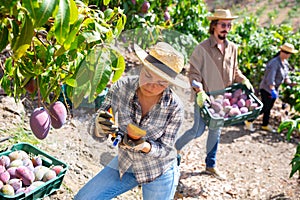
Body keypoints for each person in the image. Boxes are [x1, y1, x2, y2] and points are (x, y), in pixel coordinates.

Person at [74, 42, 189, 200]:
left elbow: (167, 151)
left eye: (160, 82)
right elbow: (98, 128)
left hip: (158, 171)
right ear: (141, 67)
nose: (150, 85)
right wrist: (100, 125)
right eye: (148, 75)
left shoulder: (174, 108)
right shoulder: (122, 88)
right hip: (126, 163)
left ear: (168, 83)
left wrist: (144, 146)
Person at [175, 9, 254, 180]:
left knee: (215, 131)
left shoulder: (233, 48)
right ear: (214, 26)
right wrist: (199, 91)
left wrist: (243, 79)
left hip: (223, 98)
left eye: (229, 25)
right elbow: (193, 74)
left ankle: (210, 165)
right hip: (204, 97)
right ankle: (175, 149)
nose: (226, 28)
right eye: (223, 25)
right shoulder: (202, 48)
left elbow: (234, 71)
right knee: (197, 130)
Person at [245, 43, 298, 132]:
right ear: (283, 52)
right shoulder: (274, 63)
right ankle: (249, 120)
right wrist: (272, 89)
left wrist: (290, 83)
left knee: (269, 107)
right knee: (265, 107)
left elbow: (286, 76)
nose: (289, 56)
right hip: (267, 88)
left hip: (274, 89)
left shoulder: (285, 63)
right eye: (288, 53)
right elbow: (270, 78)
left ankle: (265, 124)